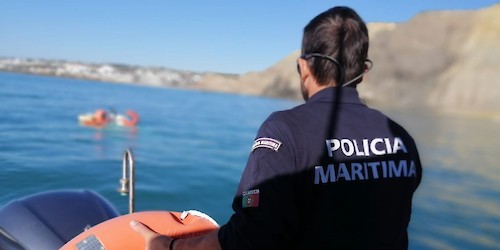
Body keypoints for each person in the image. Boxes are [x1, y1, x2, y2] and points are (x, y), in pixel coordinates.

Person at [131, 6, 422, 250]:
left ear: (304, 67)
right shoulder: (402, 139)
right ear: (363, 70)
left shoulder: (285, 130)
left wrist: (168, 246)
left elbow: (249, 237)